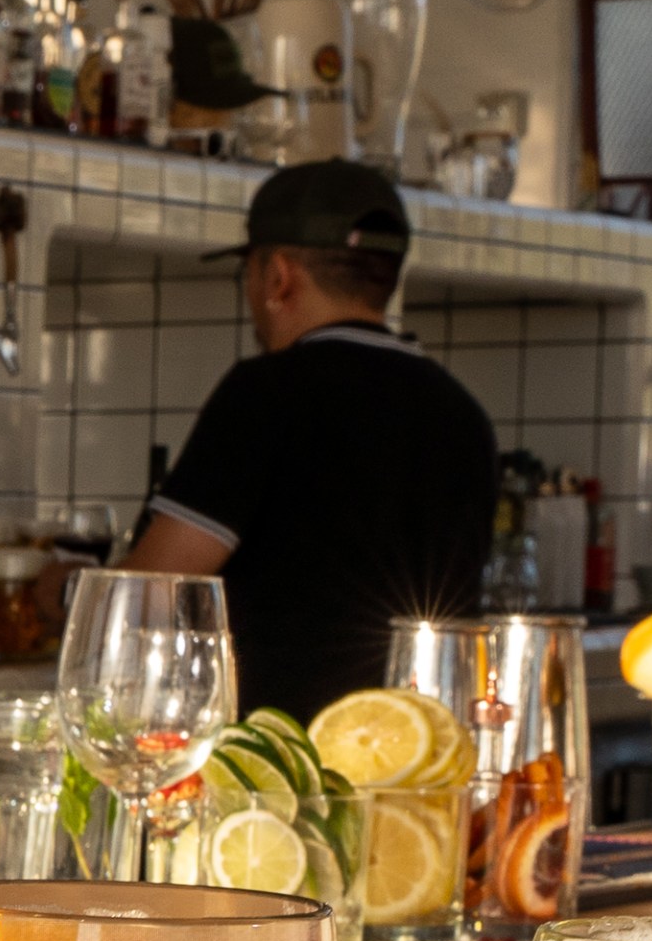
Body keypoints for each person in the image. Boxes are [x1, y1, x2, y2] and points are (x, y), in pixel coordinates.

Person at [120, 161, 500, 717]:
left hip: (279, 770)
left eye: (248, 273)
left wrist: (60, 593)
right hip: (415, 760)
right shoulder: (466, 416)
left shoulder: (266, 393)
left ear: (277, 276)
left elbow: (150, 595)